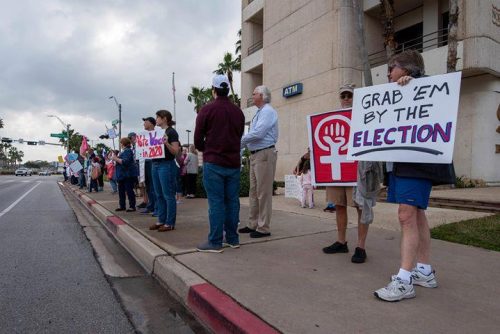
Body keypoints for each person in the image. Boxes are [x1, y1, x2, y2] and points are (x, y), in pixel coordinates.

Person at [374, 50, 456, 302]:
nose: (389, 72)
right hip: (402, 164)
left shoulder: (422, 87)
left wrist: (415, 85)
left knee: (406, 215)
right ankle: (424, 271)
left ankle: (404, 279)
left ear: (408, 70)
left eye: (393, 67)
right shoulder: (397, 93)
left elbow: (439, 92)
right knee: (417, 215)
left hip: (417, 163)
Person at [322, 83, 372, 264]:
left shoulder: (364, 116)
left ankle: (361, 247)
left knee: (360, 206)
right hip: (337, 169)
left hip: (356, 169)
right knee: (339, 205)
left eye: (349, 96)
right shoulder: (333, 117)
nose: (346, 99)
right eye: (343, 96)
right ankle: (341, 241)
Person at [194, 74, 245, 252]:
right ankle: (232, 238)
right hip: (233, 162)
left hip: (214, 161)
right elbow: (239, 135)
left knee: (216, 202)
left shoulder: (207, 110)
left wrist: (208, 148)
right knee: (232, 201)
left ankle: (215, 241)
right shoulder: (238, 111)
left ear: (213, 90)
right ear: (228, 90)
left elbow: (197, 140)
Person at [239, 85, 279, 238]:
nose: (252, 96)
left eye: (254, 93)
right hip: (256, 155)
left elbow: (258, 133)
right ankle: (253, 223)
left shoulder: (268, 111)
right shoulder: (260, 112)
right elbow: (255, 134)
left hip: (264, 153)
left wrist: (239, 142)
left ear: (262, 96)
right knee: (254, 192)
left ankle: (264, 227)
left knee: (263, 193)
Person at [149, 110, 180, 232]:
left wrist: (166, 142)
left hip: (166, 164)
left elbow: (175, 151)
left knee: (168, 195)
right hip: (155, 163)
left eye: (158, 117)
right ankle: (161, 220)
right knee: (159, 194)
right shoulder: (156, 132)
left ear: (165, 118)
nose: (156, 119)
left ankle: (169, 223)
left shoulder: (171, 132)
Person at [113, 137, 138, 212]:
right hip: (122, 175)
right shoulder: (124, 151)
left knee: (129, 190)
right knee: (121, 191)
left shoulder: (128, 151)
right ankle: (122, 205)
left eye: (121, 143)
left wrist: (116, 158)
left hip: (127, 174)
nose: (120, 144)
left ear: (123, 143)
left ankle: (132, 206)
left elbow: (125, 162)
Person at [141, 117, 157, 214]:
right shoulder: (144, 135)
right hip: (145, 162)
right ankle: (151, 205)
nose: (144, 124)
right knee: (148, 186)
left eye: (145, 122)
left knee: (153, 186)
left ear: (151, 123)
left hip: (152, 161)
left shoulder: (157, 134)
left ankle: (156, 207)